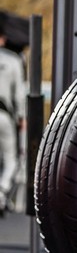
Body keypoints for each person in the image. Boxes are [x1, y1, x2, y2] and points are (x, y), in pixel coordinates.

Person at [0, 16, 25, 218]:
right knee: (11, 159)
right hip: (3, 115)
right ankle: (1, 192)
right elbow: (19, 94)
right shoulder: (13, 60)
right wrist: (22, 117)